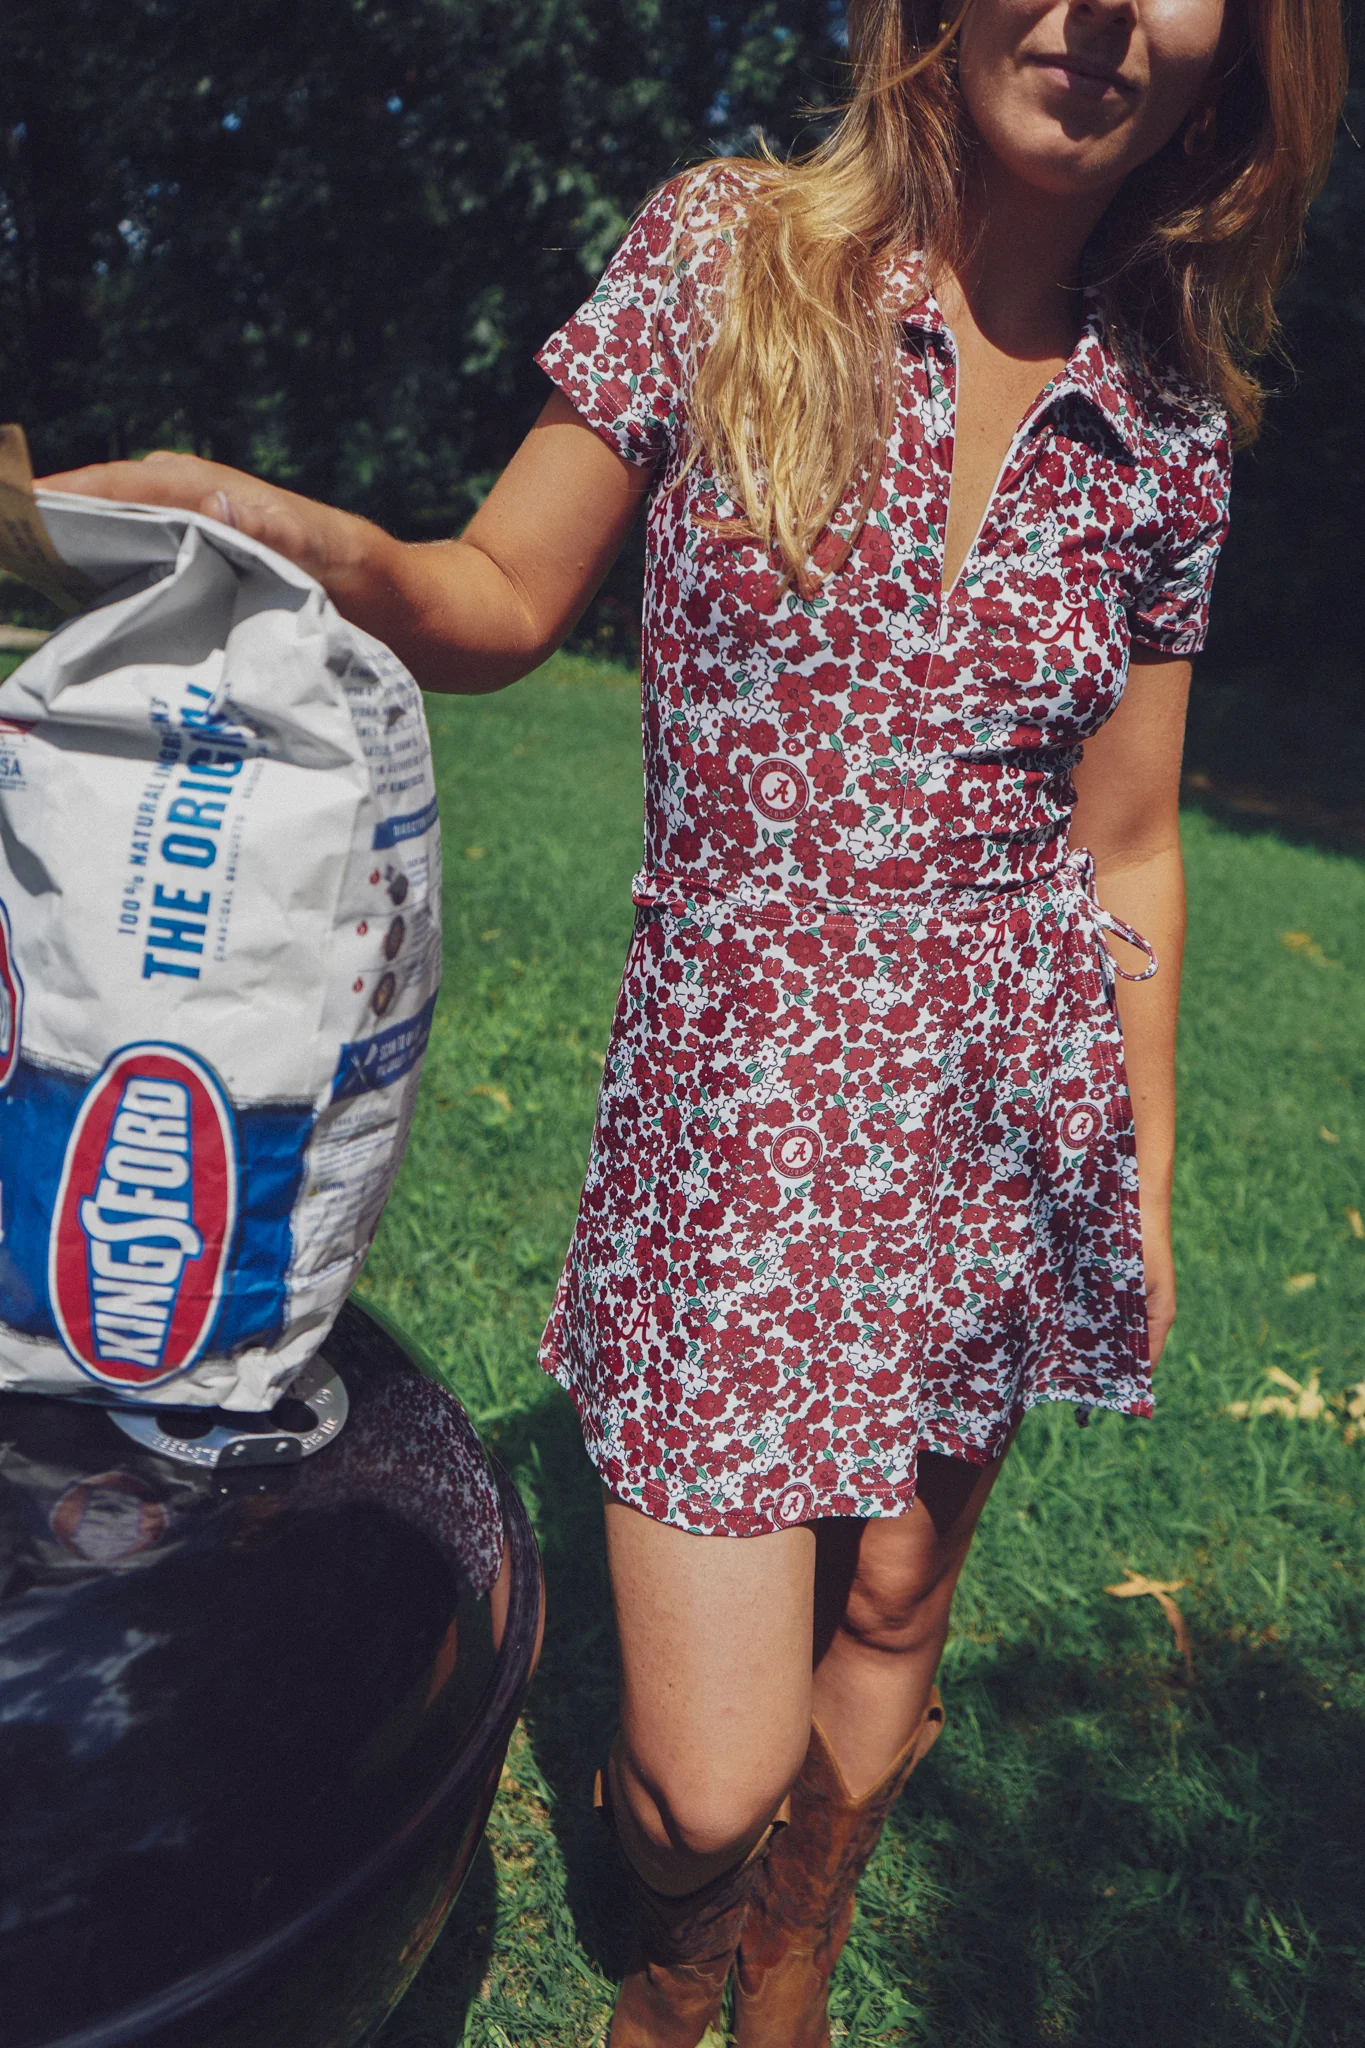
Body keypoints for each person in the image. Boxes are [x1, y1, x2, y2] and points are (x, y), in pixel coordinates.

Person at [48, 0, 1346, 2038]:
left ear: (1239, 56)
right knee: (695, 1777)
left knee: (904, 1594)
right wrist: (294, 529)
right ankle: (680, 1911)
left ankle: (785, 1956)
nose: (1104, 11)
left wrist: (1144, 1184)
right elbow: (492, 595)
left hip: (1010, 1116)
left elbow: (1130, 840)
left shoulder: (1168, 422)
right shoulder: (723, 254)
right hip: (733, 1125)